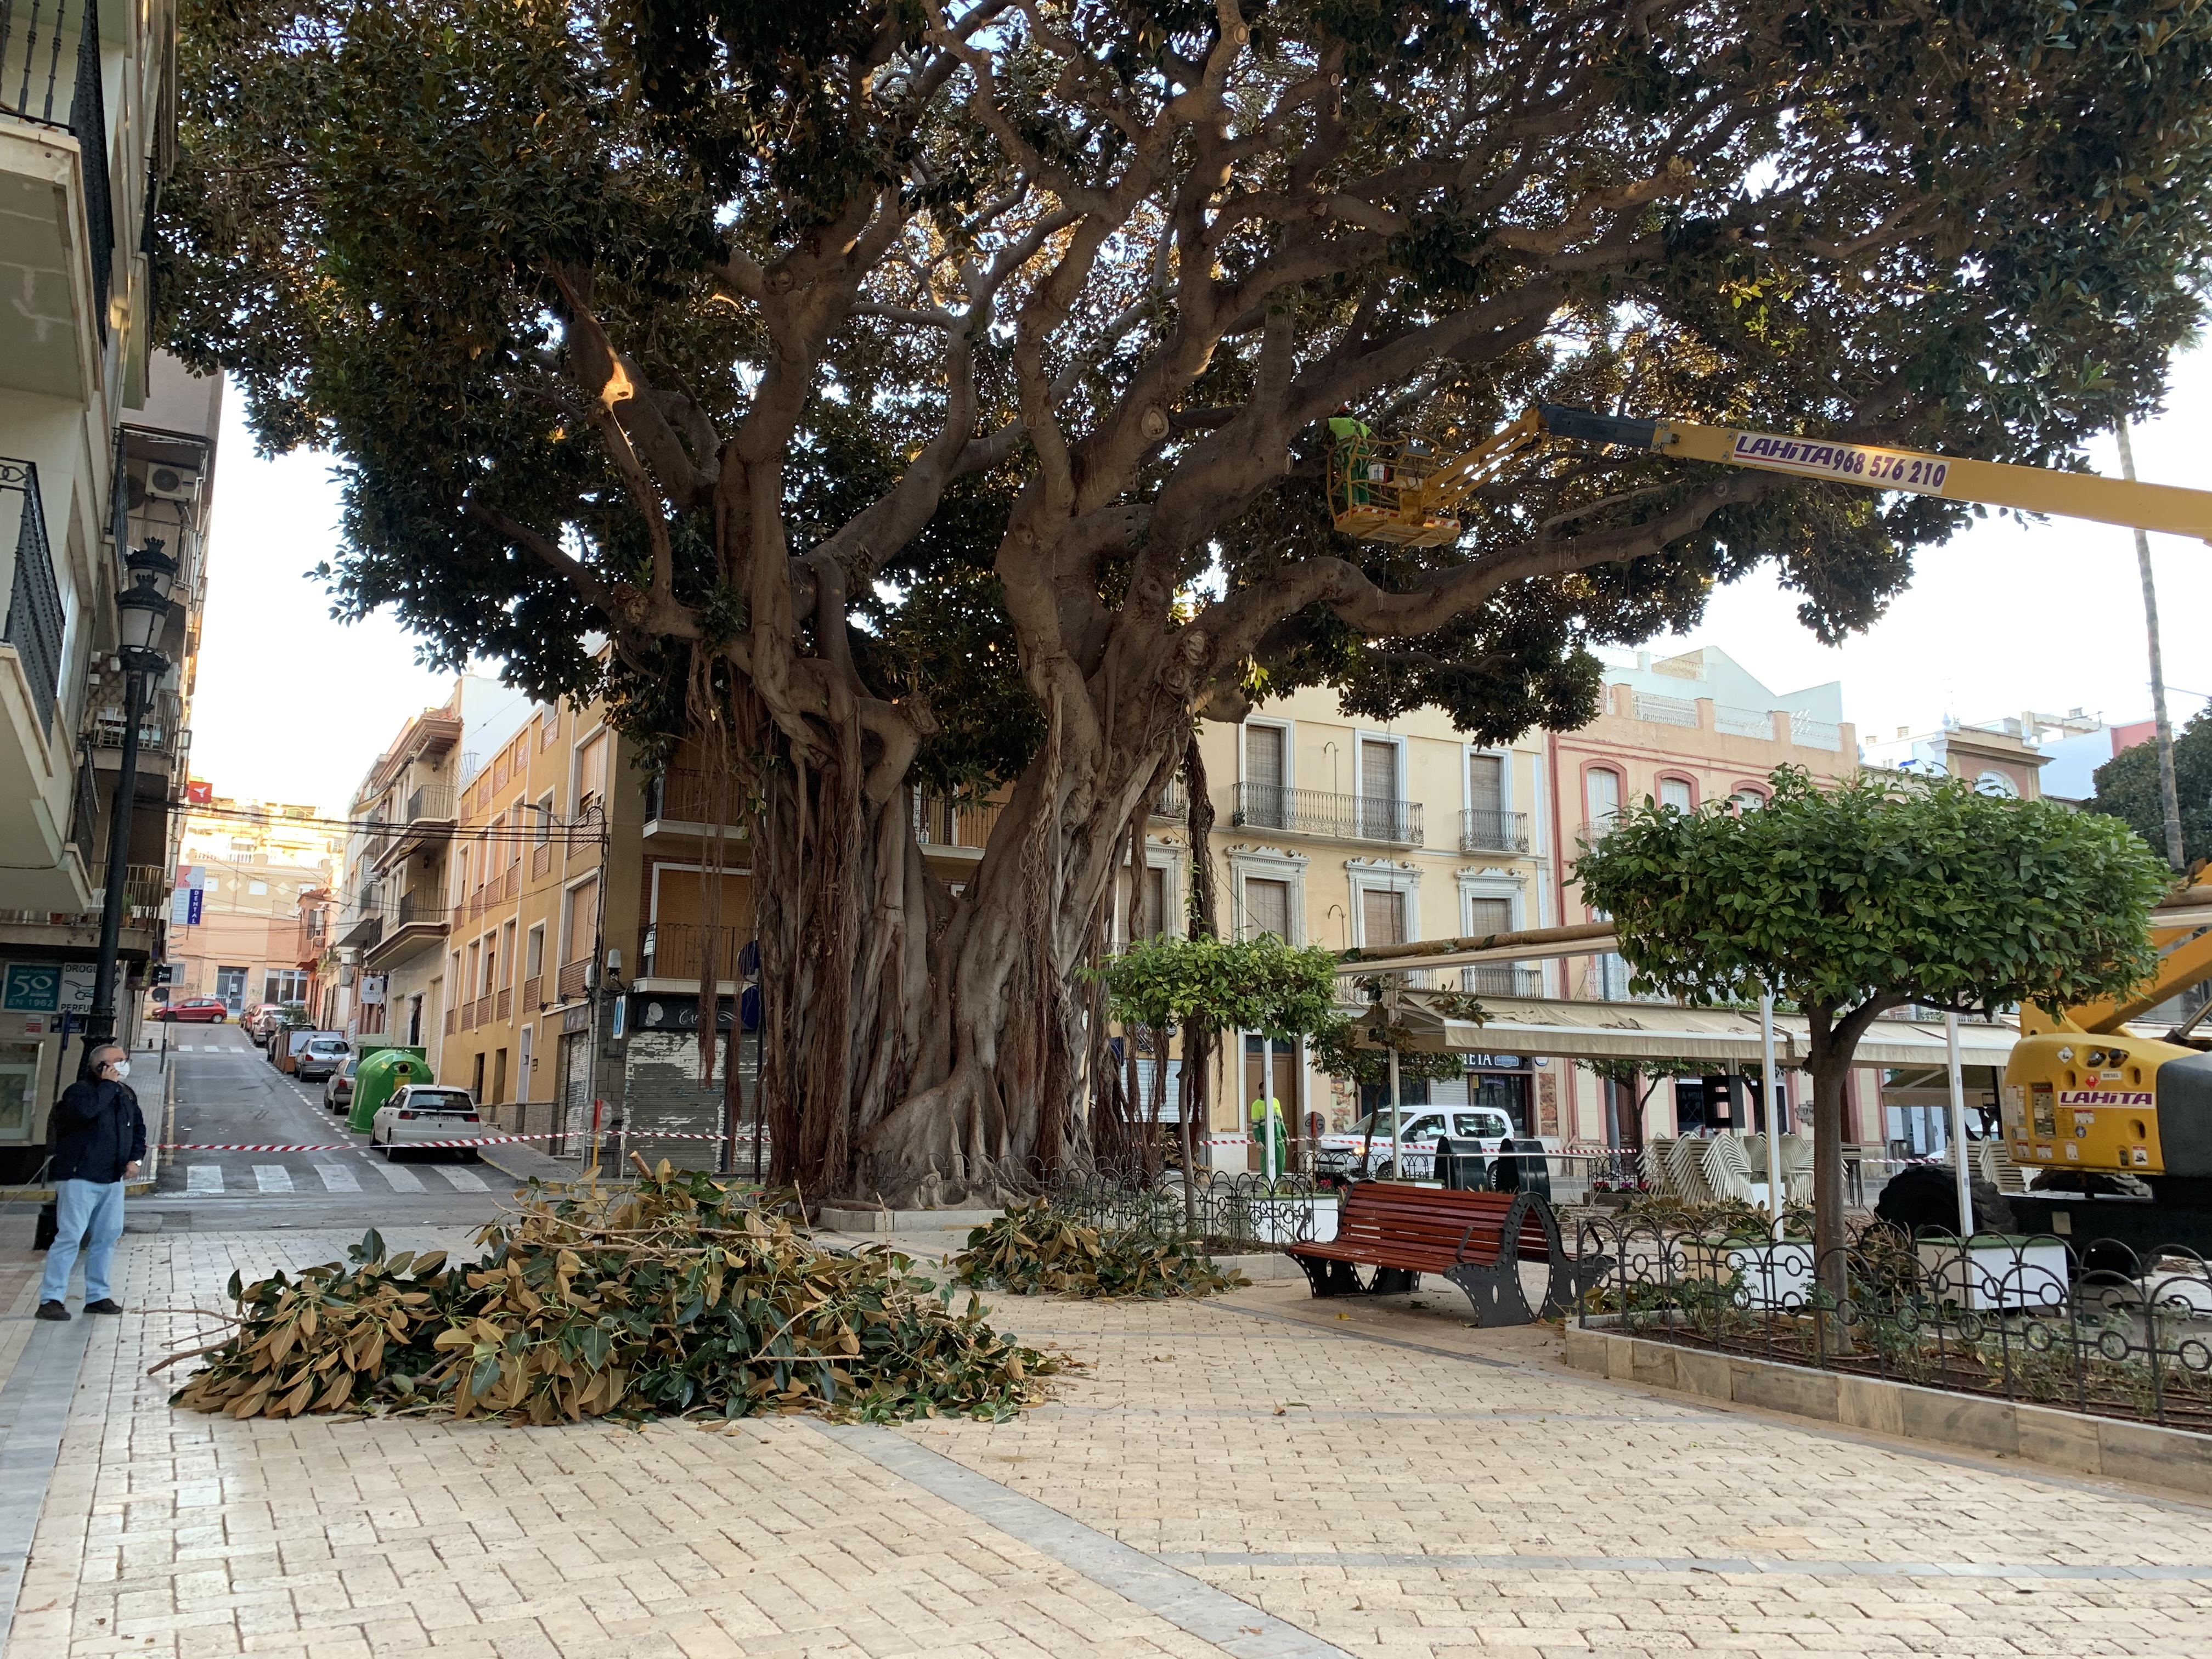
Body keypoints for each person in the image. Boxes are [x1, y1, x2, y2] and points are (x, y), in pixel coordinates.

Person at [36, 1043, 145, 1322]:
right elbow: (87, 1113)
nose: (124, 1064)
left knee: (107, 1237)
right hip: (79, 1176)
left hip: (112, 1178)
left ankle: (97, 1295)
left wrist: (136, 1160)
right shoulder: (80, 1092)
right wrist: (107, 1086)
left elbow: (138, 1129)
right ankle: (51, 1298)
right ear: (100, 1066)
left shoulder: (125, 1094)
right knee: (70, 1236)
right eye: (117, 1060)